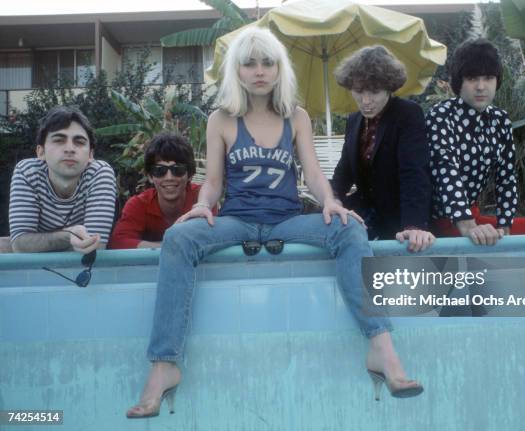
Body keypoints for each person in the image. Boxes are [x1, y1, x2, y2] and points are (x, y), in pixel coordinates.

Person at [126, 28, 423, 419]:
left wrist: (331, 203)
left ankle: (381, 349)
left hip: (287, 220)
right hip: (238, 221)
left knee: (350, 228)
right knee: (179, 237)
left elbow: (315, 176)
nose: (260, 71)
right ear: (238, 70)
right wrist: (201, 205)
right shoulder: (221, 119)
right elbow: (213, 183)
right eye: (250, 63)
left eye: (268, 63)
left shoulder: (295, 116)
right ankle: (165, 364)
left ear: (279, 69)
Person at [426, 39, 525, 246]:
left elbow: (506, 176)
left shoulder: (500, 119)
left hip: (471, 214)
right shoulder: (441, 115)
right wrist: (468, 225)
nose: (481, 87)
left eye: (488, 78)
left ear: (497, 80)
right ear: (458, 81)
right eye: (472, 78)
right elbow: (445, 169)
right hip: (438, 219)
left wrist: (505, 225)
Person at [332, 45, 434, 252]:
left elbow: (414, 172)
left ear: (389, 87)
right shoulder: (354, 120)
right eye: (359, 91)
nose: (366, 101)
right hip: (363, 215)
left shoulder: (407, 114)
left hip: (400, 220)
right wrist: (331, 198)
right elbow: (345, 170)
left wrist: (413, 225)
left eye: (374, 92)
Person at [6, 106, 117, 254]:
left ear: (90, 155)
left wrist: (35, 243)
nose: (70, 148)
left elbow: (94, 247)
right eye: (59, 140)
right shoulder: (28, 172)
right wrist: (68, 236)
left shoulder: (99, 173)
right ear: (41, 152)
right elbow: (20, 245)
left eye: (79, 142)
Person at [109, 132, 203, 249]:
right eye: (160, 170)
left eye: (177, 170)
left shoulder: (202, 199)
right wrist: (168, 248)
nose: (169, 178)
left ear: (190, 174)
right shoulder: (139, 204)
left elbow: (211, 239)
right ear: (150, 176)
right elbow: (119, 242)